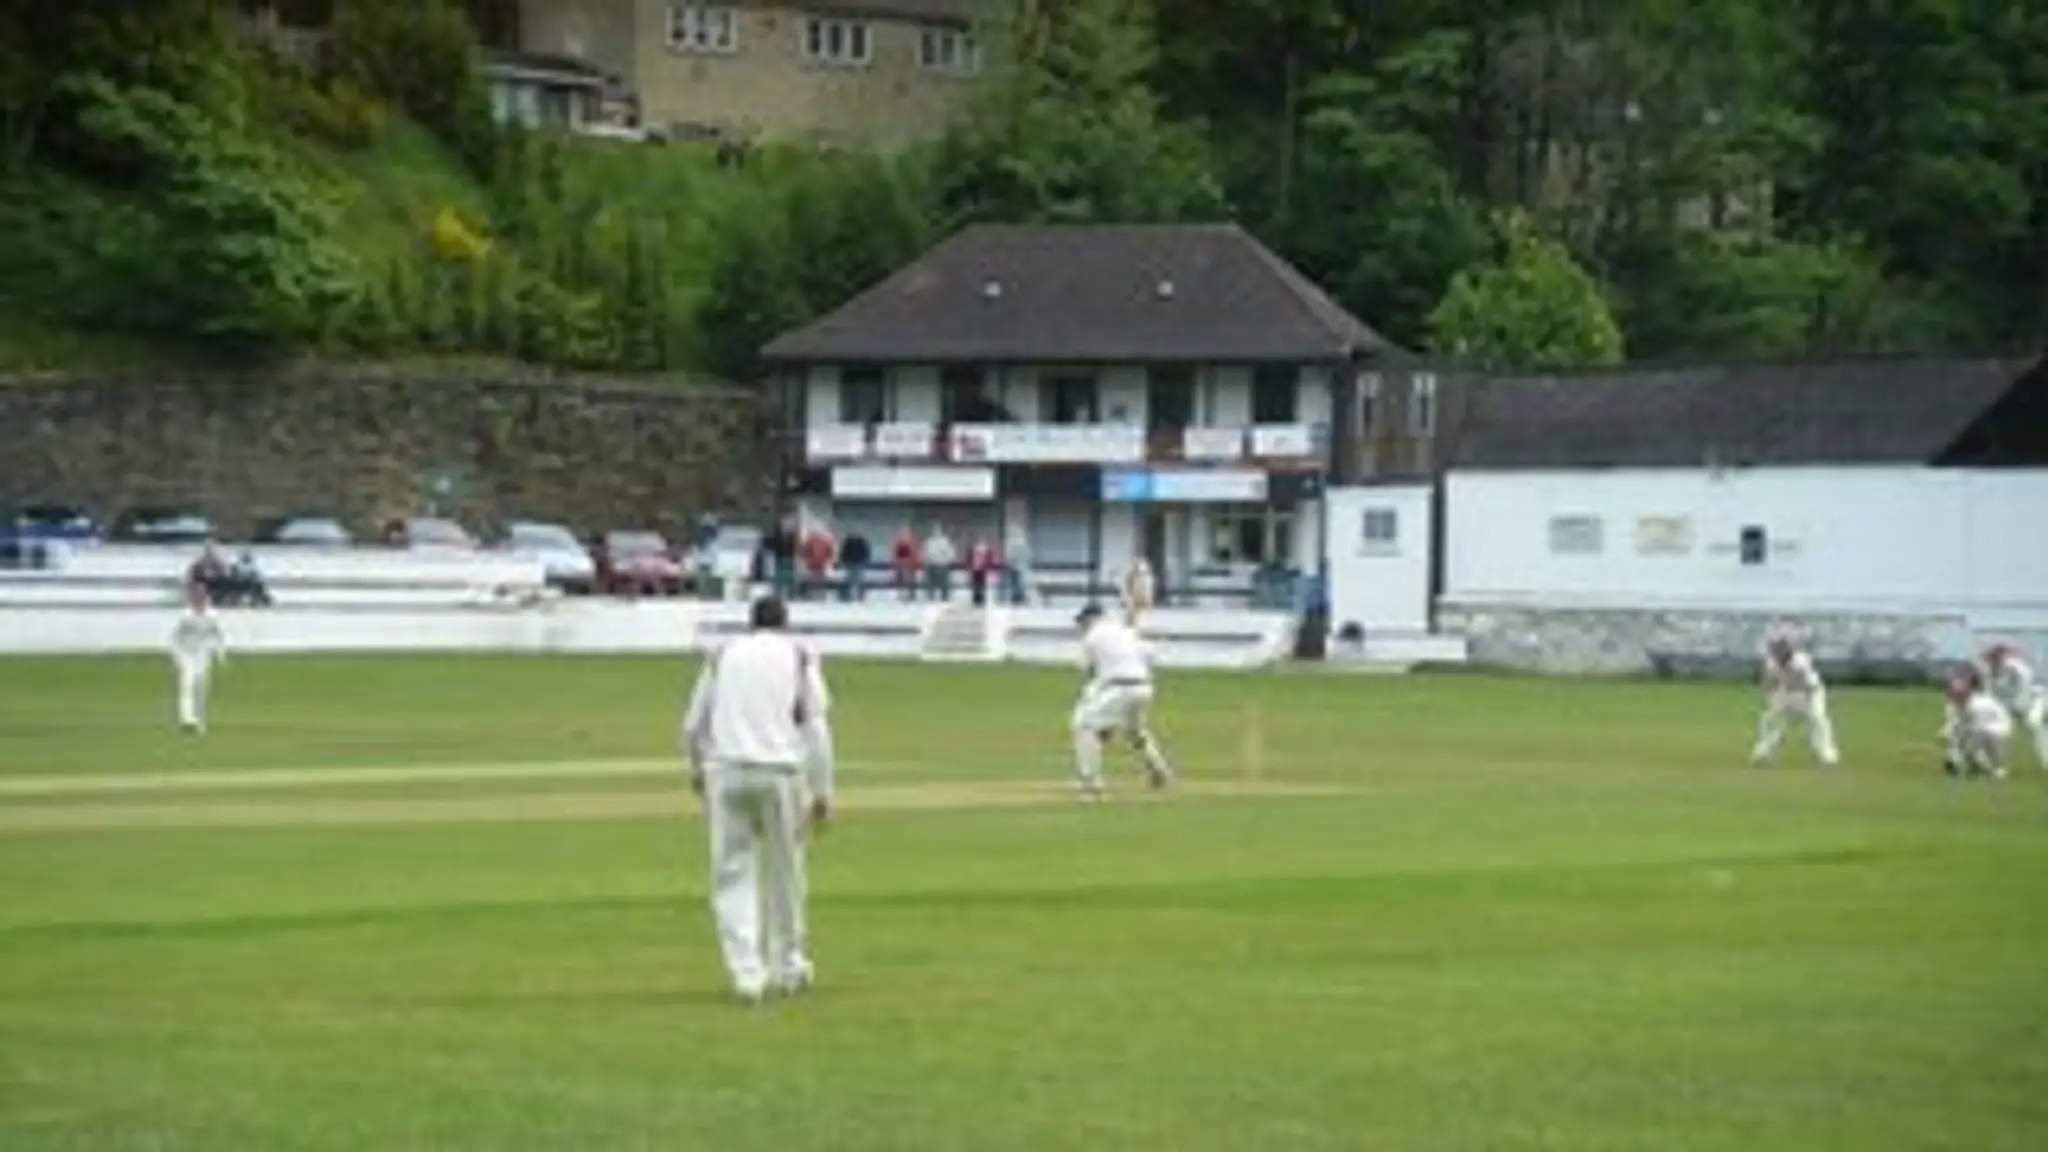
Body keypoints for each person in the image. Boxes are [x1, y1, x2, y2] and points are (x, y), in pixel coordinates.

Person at [680, 595, 836, 1004]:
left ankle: (747, 974)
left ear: (751, 625)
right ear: (784, 624)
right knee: (787, 871)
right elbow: (816, 728)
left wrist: (696, 769)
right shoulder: (799, 656)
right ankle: (787, 965)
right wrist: (823, 789)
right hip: (781, 771)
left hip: (727, 769)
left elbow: (693, 724)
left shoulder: (724, 653)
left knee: (731, 873)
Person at [1070, 603, 1174, 799]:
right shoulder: (1125, 631)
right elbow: (1151, 655)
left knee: (1083, 725)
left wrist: (1102, 721)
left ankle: (1090, 782)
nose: (1081, 627)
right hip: (1143, 686)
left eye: (1082, 622)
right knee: (1134, 732)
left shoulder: (1092, 637)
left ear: (1091, 618)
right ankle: (1159, 771)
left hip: (1118, 687)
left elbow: (1088, 673)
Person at [1750, 628, 1839, 768]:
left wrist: (1802, 703)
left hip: (1811, 692)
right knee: (1770, 718)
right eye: (1776, 652)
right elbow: (1768, 681)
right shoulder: (1771, 663)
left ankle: (1826, 753)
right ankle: (1764, 751)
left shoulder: (1801, 663)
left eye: (1782, 652)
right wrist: (1767, 691)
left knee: (1817, 718)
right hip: (1786, 691)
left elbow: (1809, 685)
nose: (1779, 656)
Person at [168, 580, 227, 734]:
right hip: (186, 653)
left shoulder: (212, 615)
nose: (199, 597)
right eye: (196, 594)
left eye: (202, 594)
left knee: (201, 685)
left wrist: (220, 654)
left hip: (203, 654)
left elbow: (218, 635)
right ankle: (187, 719)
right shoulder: (186, 615)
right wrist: (176, 655)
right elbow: (176, 637)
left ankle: (199, 719)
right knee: (187, 683)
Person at [1981, 643, 2046, 769]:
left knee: (2034, 724)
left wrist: (2018, 707)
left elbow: (2025, 686)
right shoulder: (1989, 673)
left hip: (2034, 701)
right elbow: (1989, 695)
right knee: (1994, 731)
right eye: (1990, 659)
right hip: (2009, 707)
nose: (1992, 662)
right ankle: (1991, 763)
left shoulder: (2017, 668)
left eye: (1995, 658)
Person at [1942, 666, 2012, 779]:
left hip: (1996, 728)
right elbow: (1954, 722)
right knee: (1959, 736)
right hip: (1979, 729)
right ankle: (1972, 764)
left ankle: (1996, 767)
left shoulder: (1978, 705)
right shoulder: (1954, 705)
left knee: (1971, 738)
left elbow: (1975, 726)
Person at [921, 524, 956, 602]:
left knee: (944, 585)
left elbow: (950, 553)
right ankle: (931, 600)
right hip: (932, 565)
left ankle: (945, 600)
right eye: (934, 530)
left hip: (942, 565)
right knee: (930, 585)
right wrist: (927, 560)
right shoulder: (929, 541)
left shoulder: (945, 541)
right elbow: (924, 553)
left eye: (937, 530)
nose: (936, 532)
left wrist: (946, 560)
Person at [967, 536, 998, 607]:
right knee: (976, 586)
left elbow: (989, 559)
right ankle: (977, 600)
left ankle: (980, 600)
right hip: (976, 569)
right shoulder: (973, 550)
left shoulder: (986, 550)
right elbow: (970, 559)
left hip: (982, 570)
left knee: (981, 586)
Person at [891, 526, 919, 602]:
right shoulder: (899, 543)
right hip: (902, 565)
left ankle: (910, 595)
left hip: (909, 565)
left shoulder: (910, 542)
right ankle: (903, 594)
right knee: (902, 580)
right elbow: (895, 554)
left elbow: (915, 553)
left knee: (909, 580)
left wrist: (914, 562)